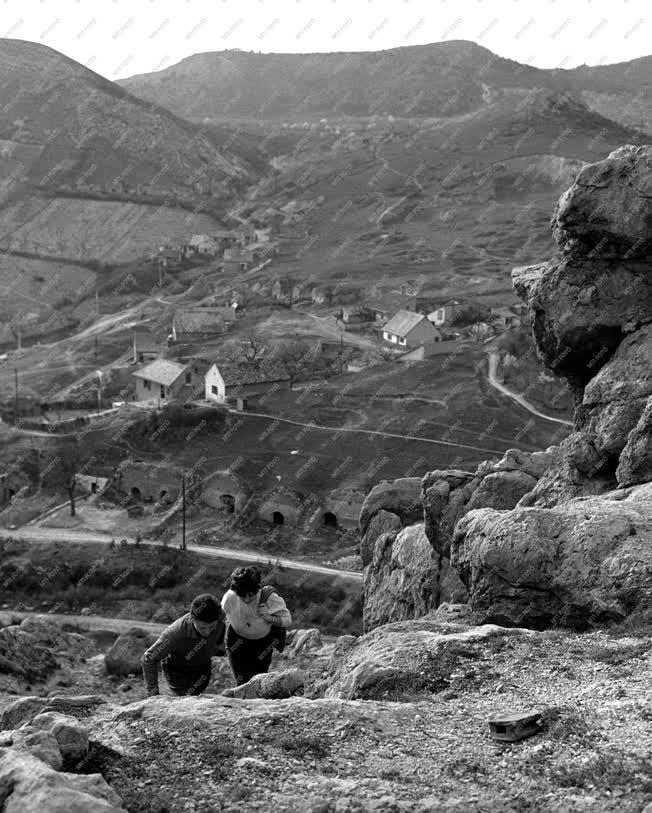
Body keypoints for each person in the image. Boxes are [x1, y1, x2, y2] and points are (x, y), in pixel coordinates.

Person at [141, 594, 226, 697]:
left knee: (198, 698)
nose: (207, 632)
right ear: (192, 619)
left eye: (212, 627)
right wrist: (153, 696)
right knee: (186, 700)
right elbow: (149, 658)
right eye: (202, 628)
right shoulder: (174, 633)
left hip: (202, 668)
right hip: (178, 672)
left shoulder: (221, 617)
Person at [221, 566, 292, 686]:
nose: (247, 599)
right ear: (236, 592)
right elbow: (222, 614)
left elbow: (287, 620)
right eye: (243, 596)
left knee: (257, 682)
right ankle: (243, 704)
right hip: (236, 642)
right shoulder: (230, 597)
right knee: (242, 682)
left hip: (262, 644)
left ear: (257, 589)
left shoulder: (269, 598)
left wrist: (270, 617)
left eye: (251, 595)